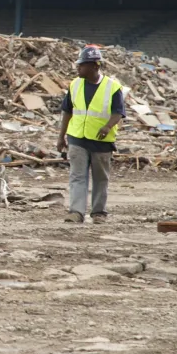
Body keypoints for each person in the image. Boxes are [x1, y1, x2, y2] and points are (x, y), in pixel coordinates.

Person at [56, 46, 125, 224]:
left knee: (100, 178)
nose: (78, 68)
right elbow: (67, 112)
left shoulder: (113, 87)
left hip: (101, 142)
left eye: (82, 65)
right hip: (77, 138)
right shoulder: (75, 84)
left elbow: (118, 112)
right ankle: (76, 212)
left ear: (95, 66)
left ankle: (98, 213)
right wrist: (61, 136)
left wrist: (108, 126)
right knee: (77, 176)